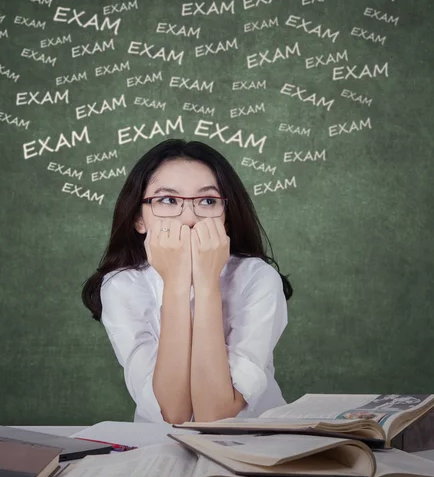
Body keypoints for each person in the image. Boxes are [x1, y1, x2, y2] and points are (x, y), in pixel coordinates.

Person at [82, 139, 292, 425]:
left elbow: (215, 415)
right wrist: (177, 283)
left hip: (255, 449)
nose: (189, 217)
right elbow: (174, 414)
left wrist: (206, 282)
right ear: (139, 220)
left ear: (226, 218)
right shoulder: (121, 286)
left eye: (207, 201)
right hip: (159, 452)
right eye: (168, 200)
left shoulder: (258, 278)